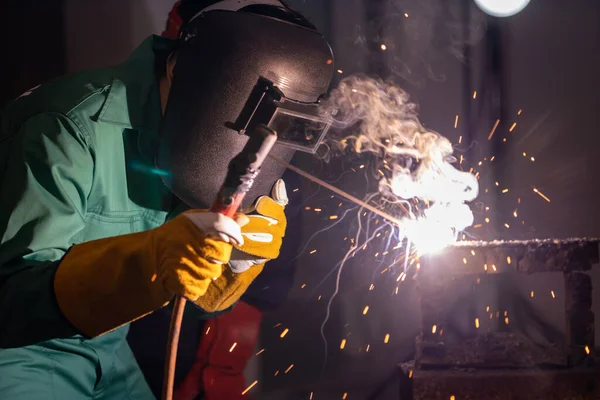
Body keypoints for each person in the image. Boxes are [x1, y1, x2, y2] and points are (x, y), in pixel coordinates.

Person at [0, 0, 334, 398]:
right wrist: (150, 259)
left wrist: (233, 263)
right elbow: (11, 301)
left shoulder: (192, 147)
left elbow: (196, 299)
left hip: (107, 346)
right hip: (19, 351)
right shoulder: (66, 129)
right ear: (182, 68)